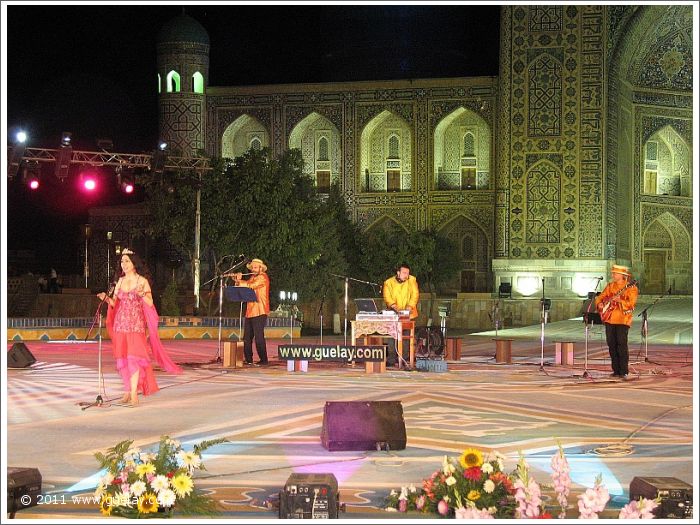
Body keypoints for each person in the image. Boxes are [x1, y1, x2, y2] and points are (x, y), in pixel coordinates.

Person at [97, 249, 182, 405]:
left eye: (127, 261)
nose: (124, 264)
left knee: (134, 358)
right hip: (121, 325)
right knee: (122, 359)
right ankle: (127, 391)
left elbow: (150, 303)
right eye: (122, 261)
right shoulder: (120, 282)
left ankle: (135, 393)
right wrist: (106, 299)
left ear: (134, 263)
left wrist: (143, 294)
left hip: (136, 325)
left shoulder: (142, 281)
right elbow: (115, 303)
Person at [595, 264, 639, 380]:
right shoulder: (610, 286)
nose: (613, 275)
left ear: (622, 275)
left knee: (621, 345)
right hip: (609, 318)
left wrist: (620, 300)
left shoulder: (631, 288)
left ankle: (623, 370)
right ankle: (615, 370)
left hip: (623, 320)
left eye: (615, 273)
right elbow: (600, 297)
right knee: (611, 345)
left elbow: (631, 304)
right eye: (613, 273)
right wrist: (599, 303)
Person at [232, 258, 270, 365]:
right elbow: (243, 286)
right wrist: (236, 280)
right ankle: (248, 359)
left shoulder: (263, 277)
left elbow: (250, 286)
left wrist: (239, 280)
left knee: (259, 337)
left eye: (255, 267)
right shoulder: (253, 277)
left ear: (260, 268)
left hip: (260, 310)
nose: (253, 269)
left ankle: (264, 360)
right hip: (250, 311)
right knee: (247, 338)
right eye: (252, 267)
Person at [382, 263, 420, 367]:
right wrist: (394, 306)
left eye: (407, 273)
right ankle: (391, 359)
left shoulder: (412, 280)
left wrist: (409, 307)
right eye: (404, 273)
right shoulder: (388, 282)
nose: (406, 275)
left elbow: (415, 295)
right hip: (393, 313)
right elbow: (387, 297)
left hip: (409, 314)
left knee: (406, 337)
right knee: (392, 336)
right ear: (398, 273)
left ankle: (404, 358)